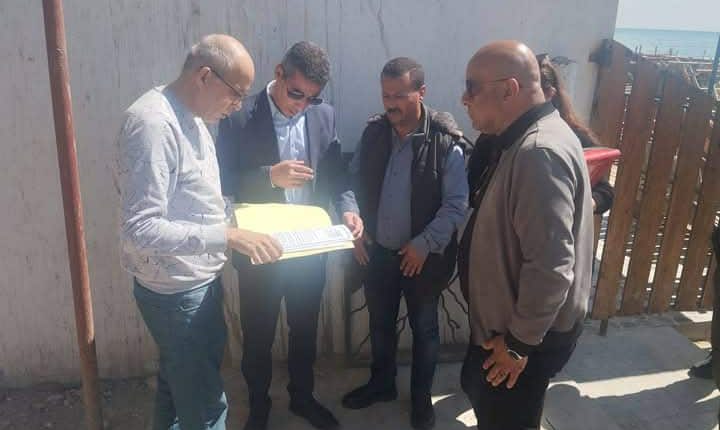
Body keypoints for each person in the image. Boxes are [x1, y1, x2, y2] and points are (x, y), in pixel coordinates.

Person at [116, 34, 283, 430]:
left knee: (176, 391)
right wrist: (227, 236)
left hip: (194, 283)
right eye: (236, 93)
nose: (238, 105)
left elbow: (197, 196)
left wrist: (239, 219)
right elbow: (139, 229)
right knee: (205, 408)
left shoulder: (193, 117)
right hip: (176, 294)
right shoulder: (153, 126)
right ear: (205, 76)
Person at [216, 41, 361, 430]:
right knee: (258, 335)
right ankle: (258, 406)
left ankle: (302, 397)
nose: (303, 105)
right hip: (260, 250)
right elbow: (220, 182)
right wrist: (269, 177)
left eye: (312, 98)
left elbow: (336, 174)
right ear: (278, 73)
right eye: (297, 94)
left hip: (308, 249)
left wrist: (349, 208)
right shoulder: (239, 117)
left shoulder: (323, 116)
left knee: (305, 330)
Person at [458, 41, 593, 430]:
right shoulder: (525, 138)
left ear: (509, 89)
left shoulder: (537, 151)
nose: (464, 98)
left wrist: (518, 346)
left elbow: (552, 265)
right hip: (512, 328)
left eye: (471, 87)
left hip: (520, 338)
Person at [341, 57, 469, 430]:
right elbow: (351, 182)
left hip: (422, 258)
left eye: (399, 95)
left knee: (424, 331)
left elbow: (457, 204)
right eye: (386, 95)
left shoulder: (444, 141)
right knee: (380, 324)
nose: (391, 104)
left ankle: (420, 400)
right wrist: (351, 217)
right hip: (378, 252)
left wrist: (424, 244)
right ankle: (382, 384)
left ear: (421, 92)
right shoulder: (374, 133)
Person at [536, 53, 614, 214]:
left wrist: (580, 206)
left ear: (550, 93)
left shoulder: (574, 137)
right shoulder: (499, 135)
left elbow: (605, 193)